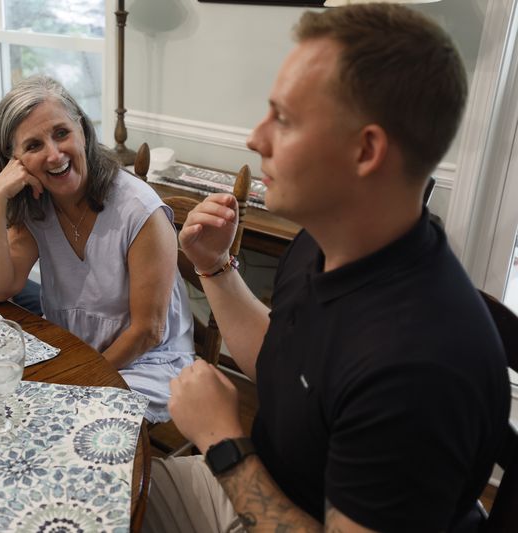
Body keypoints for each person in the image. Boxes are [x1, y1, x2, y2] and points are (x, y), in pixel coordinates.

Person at [144, 4, 510, 532]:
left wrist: (222, 443)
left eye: (285, 119)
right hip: (257, 488)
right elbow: (288, 366)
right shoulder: (327, 240)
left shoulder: (418, 368)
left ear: (366, 151)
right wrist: (216, 267)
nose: (255, 138)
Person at [0, 75, 194, 423]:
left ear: (82, 129)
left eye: (61, 133)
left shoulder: (139, 209)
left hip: (148, 363)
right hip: (75, 350)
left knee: (60, 420)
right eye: (33, 146)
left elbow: (147, 332)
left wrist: (81, 380)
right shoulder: (37, 205)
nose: (54, 154)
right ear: (13, 161)